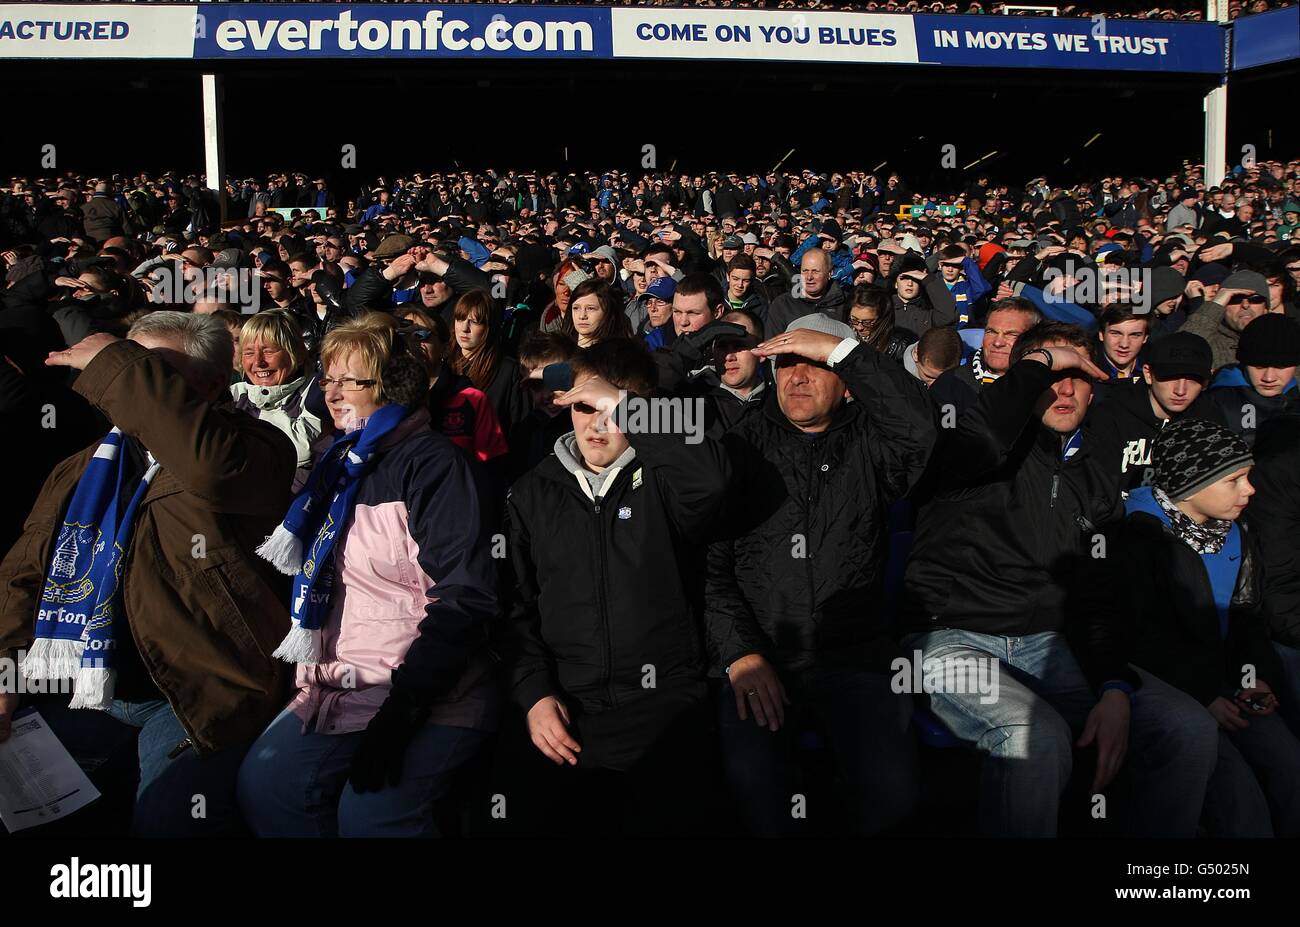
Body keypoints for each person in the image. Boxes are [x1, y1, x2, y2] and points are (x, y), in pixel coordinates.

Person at [901, 322, 1219, 837]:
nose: (1065, 389)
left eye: (1079, 376)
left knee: (1187, 728)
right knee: (1033, 736)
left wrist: (1113, 684)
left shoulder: (1095, 471)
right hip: (951, 637)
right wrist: (1035, 366)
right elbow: (983, 432)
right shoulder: (972, 444)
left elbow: (1099, 593)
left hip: (1052, 643)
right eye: (1052, 373)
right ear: (1025, 379)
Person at [0, 312, 295, 836]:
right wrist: (4, 673)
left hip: (198, 695)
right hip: (91, 688)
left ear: (208, 384)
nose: (130, 379)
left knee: (166, 820)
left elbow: (209, 466)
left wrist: (118, 361)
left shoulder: (254, 448)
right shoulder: (87, 466)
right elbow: (26, 572)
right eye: (128, 366)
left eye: (149, 369)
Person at [237, 313, 499, 837]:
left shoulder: (435, 467)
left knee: (371, 819)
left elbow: (467, 596)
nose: (332, 394)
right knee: (267, 787)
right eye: (327, 379)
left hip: (426, 691)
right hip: (335, 682)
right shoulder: (337, 463)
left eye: (350, 382)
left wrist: (404, 711)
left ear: (390, 387)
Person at [707, 313, 936, 836]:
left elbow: (920, 430)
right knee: (753, 785)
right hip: (760, 653)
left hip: (855, 656)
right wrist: (739, 655)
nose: (798, 377)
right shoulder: (738, 448)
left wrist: (845, 351)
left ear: (846, 381)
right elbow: (711, 568)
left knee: (893, 791)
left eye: (815, 363)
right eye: (786, 363)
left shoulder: (874, 447)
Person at [501, 338, 729, 835]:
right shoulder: (531, 492)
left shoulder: (667, 479)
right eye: (584, 406)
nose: (597, 423)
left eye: (611, 409)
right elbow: (514, 607)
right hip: (565, 709)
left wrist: (624, 404)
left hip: (665, 703)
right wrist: (535, 693)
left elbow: (709, 479)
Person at [1111, 419, 1300, 837]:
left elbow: (1246, 615)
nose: (1250, 490)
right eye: (1234, 480)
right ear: (1192, 485)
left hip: (1229, 687)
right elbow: (1137, 638)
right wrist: (1203, 694)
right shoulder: (1140, 539)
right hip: (1178, 690)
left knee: (1290, 768)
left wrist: (1257, 676)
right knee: (1240, 804)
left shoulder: (1236, 532)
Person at [1087, 331, 1211, 494]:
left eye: (1193, 378)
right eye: (1171, 376)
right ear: (1148, 373)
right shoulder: (1109, 414)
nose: (1181, 390)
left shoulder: (1209, 422)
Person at [398, 305, 508, 470]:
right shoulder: (383, 396)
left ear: (445, 347)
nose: (413, 343)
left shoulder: (471, 399)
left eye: (421, 335)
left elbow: (492, 468)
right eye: (404, 336)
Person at [231, 309, 325, 491]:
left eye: (268, 351)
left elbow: (298, 450)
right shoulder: (233, 395)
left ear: (296, 354)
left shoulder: (318, 391)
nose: (258, 362)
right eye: (249, 353)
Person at [1190, 313, 1300, 447]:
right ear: (1244, 363)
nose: (1269, 377)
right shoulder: (1212, 404)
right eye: (1259, 366)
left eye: (1280, 367)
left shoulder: (1295, 399)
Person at [930, 297, 1041, 416]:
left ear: (1033, 341)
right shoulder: (951, 384)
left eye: (1011, 334)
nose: (998, 343)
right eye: (991, 332)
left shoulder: (1046, 387)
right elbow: (943, 429)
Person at [449, 289, 529, 437]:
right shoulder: (444, 363)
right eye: (460, 319)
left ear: (489, 327)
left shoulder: (508, 370)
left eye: (474, 322)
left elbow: (518, 426)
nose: (464, 328)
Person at [1180, 270, 1272, 373]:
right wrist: (1215, 304)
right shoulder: (1209, 339)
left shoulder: (1281, 338)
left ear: (1266, 308)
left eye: (1255, 299)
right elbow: (1179, 350)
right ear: (1223, 306)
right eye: (1235, 299)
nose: (1245, 305)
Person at [763, 248, 849, 338]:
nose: (809, 277)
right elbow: (771, 343)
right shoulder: (783, 304)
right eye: (805, 271)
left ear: (829, 273)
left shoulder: (845, 302)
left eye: (815, 271)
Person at [849, 284, 913, 363]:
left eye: (867, 322)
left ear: (883, 318)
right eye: (854, 319)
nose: (859, 327)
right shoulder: (843, 333)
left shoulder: (900, 346)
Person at [569, 279, 633, 348]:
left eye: (590, 308)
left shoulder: (620, 355)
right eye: (576, 308)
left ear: (607, 311)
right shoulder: (560, 350)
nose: (582, 316)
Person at [1095, 305, 1150, 383]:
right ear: (1101, 335)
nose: (1124, 345)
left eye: (1134, 335)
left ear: (1145, 338)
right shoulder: (1087, 372)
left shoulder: (1156, 370)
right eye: (1116, 334)